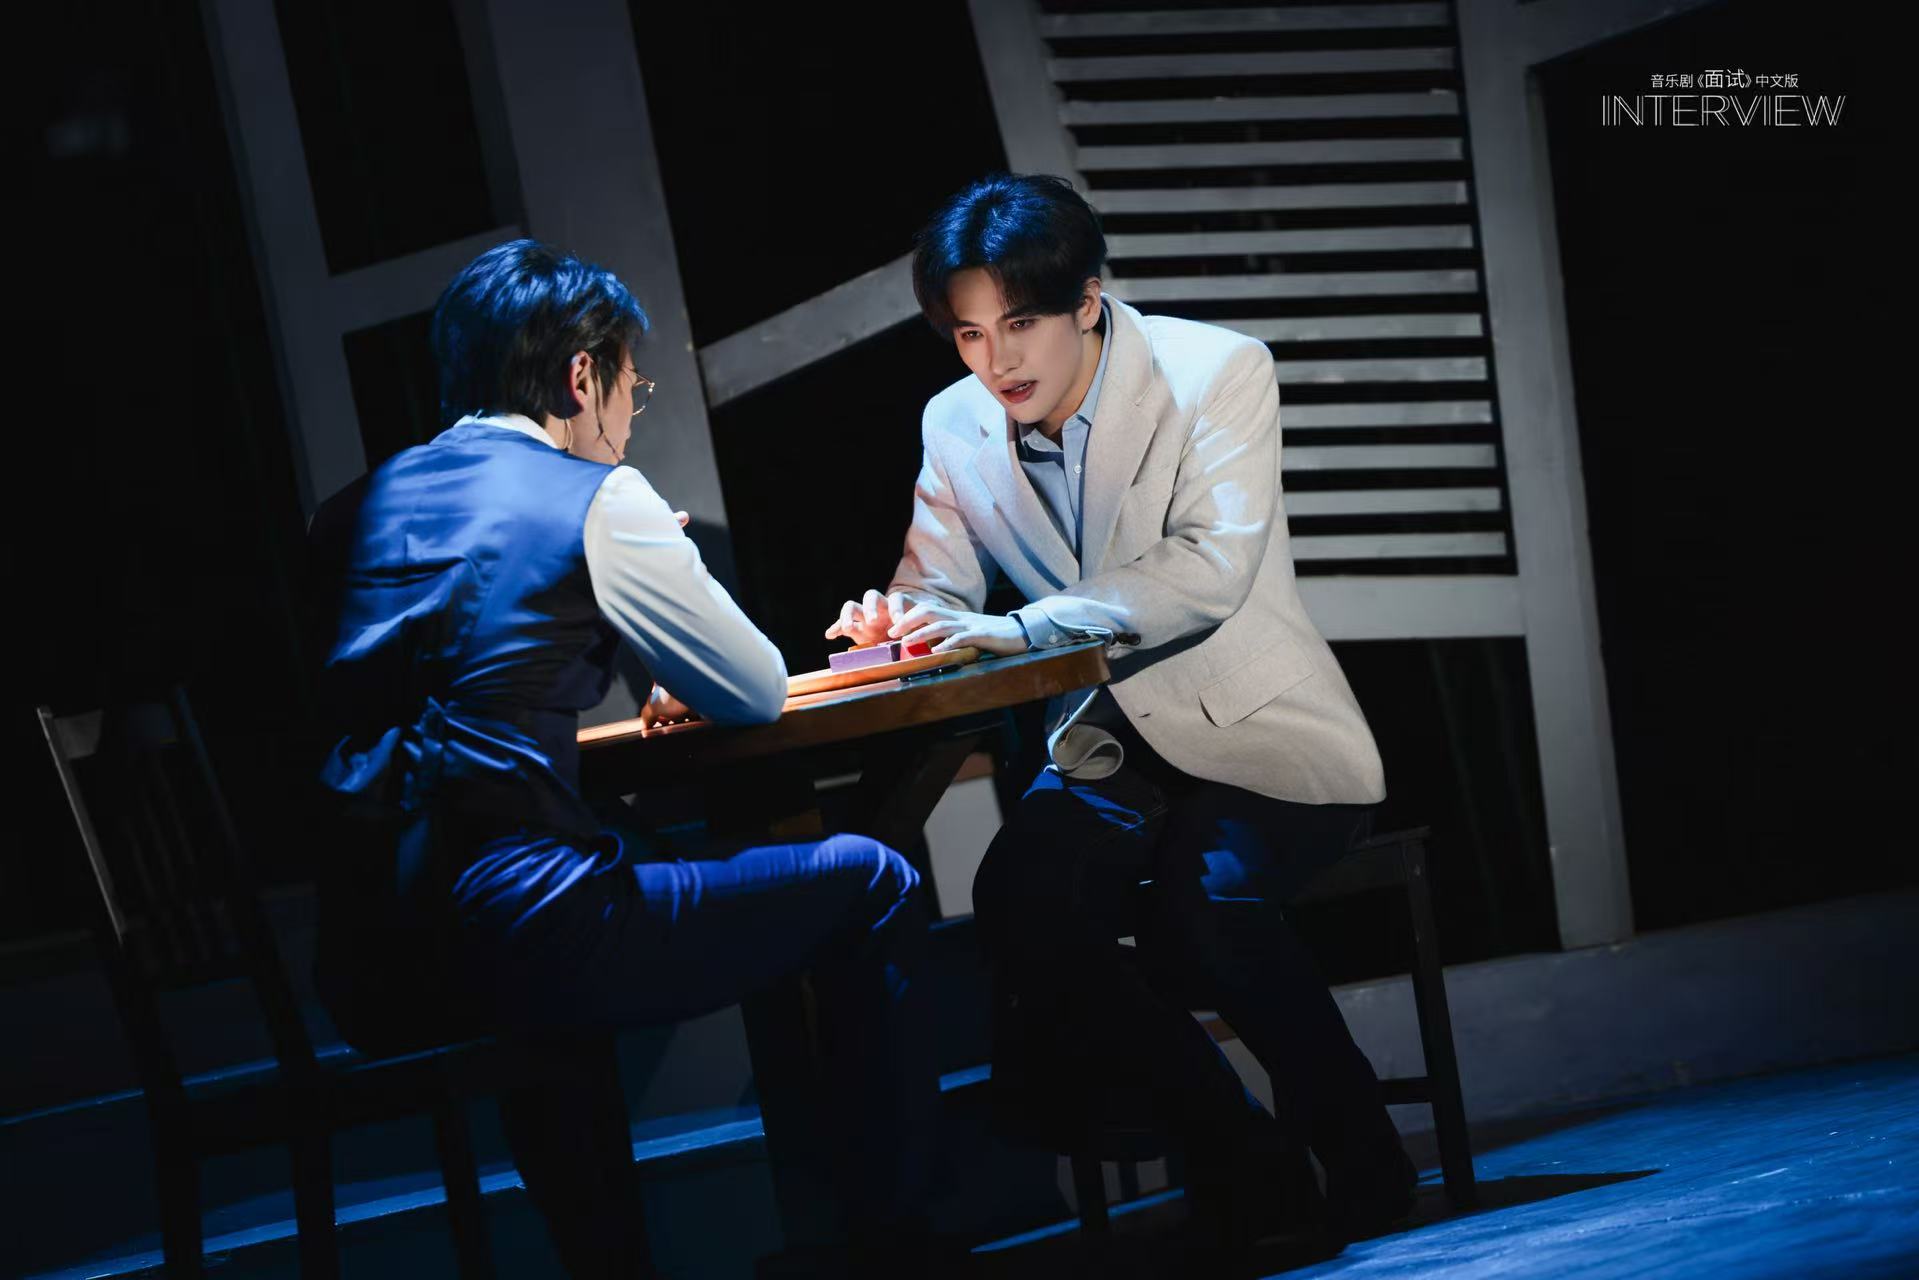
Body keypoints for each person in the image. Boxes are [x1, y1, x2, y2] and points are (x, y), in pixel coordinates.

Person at [311, 239, 938, 1277]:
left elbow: (447, 688)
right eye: (630, 389)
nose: (628, 416)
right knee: (869, 878)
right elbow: (751, 690)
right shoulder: (595, 496)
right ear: (580, 376)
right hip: (526, 929)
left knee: (561, 944)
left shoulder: (346, 513)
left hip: (369, 955)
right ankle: (888, 1244)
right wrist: (657, 560)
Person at [827, 174, 1415, 1251]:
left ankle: (1365, 1154)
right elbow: (936, 585)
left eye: (1019, 324)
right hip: (1108, 747)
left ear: (1086, 301)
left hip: (1255, 729)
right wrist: (896, 618)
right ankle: (1244, 1163)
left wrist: (1017, 627)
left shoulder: (1215, 370)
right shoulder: (954, 421)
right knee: (1020, 897)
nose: (995, 361)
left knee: (1206, 902)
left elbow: (1204, 570)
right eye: (968, 333)